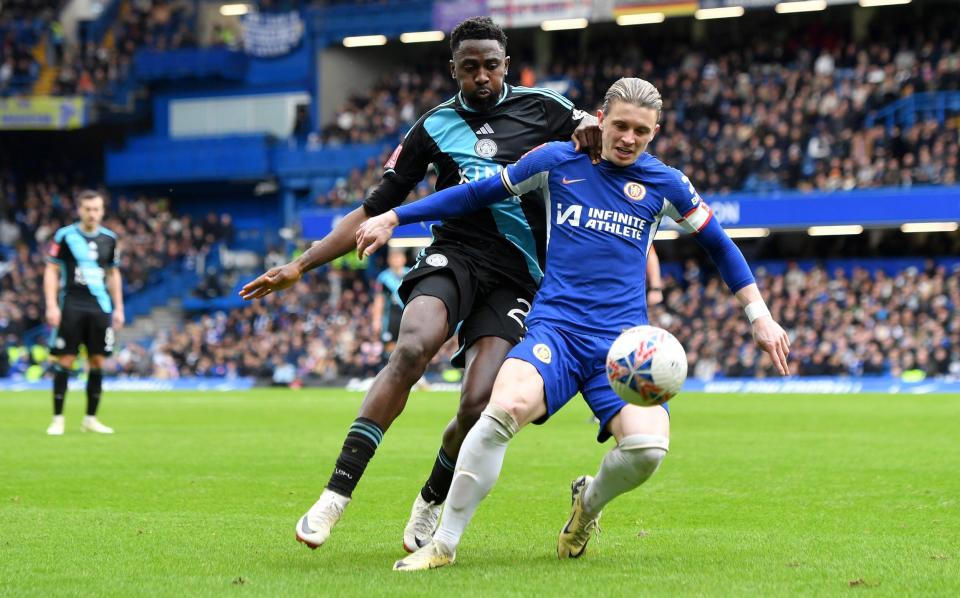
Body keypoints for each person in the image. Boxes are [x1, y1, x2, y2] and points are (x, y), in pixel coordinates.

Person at [355, 77, 791, 570]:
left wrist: (761, 316)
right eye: (620, 125)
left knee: (648, 449)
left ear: (656, 132)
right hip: (556, 330)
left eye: (641, 132)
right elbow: (475, 194)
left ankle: (587, 507)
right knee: (501, 410)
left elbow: (720, 245)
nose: (628, 139)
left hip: (623, 348)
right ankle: (444, 545)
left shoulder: (666, 182)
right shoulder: (557, 161)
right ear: (599, 119)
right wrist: (397, 217)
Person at [238, 16, 601, 551]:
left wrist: (593, 124)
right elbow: (372, 207)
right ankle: (334, 496)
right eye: (470, 66)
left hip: (518, 275)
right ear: (452, 67)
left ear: (506, 64)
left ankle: (432, 497)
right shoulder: (432, 127)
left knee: (478, 404)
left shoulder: (543, 108)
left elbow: (600, 131)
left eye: (491, 65)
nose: (482, 76)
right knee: (411, 348)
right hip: (454, 254)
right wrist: (301, 264)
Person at [44, 190, 124, 436]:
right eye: (87, 209)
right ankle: (58, 419)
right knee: (66, 360)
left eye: (96, 209)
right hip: (71, 304)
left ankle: (90, 418)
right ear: (79, 210)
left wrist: (119, 307)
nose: (92, 213)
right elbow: (51, 270)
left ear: (102, 211)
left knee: (98, 360)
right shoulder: (65, 236)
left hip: (100, 306)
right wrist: (51, 304)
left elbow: (112, 273)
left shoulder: (110, 239)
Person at [370, 248, 410, 353]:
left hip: (408, 315)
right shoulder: (383, 278)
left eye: (398, 257)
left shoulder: (410, 274)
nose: (396, 260)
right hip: (390, 316)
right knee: (390, 347)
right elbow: (379, 300)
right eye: (394, 258)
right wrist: (376, 320)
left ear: (404, 259)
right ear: (389, 260)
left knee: (408, 344)